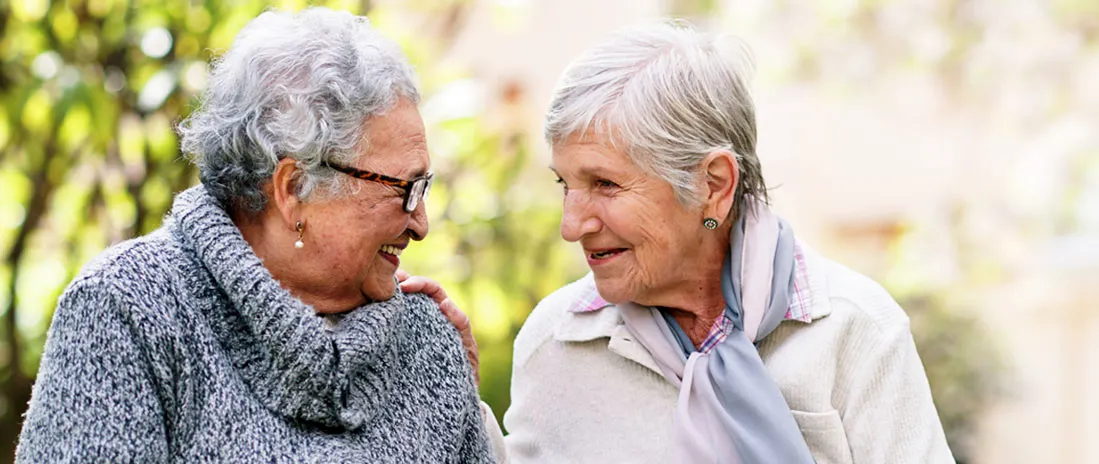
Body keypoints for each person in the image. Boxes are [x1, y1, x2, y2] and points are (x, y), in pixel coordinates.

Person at [15, 8, 494, 462]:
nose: (421, 223)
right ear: (293, 189)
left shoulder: (427, 339)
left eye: (424, 187)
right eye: (404, 189)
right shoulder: (128, 310)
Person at [497, 20, 953, 463]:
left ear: (712, 186)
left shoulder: (856, 331)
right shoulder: (556, 341)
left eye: (605, 184)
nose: (571, 226)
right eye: (565, 184)